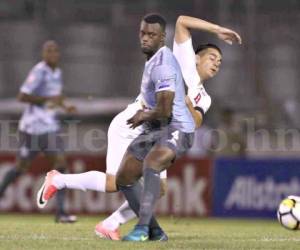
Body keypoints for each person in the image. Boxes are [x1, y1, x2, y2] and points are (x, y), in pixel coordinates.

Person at [37, 14, 241, 241]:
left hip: (156, 133)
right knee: (113, 183)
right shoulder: (183, 63)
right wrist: (217, 29)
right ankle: (58, 180)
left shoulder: (205, 98)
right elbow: (182, 21)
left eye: (220, 62)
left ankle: (111, 223)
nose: (216, 63)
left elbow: (194, 122)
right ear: (195, 58)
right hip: (131, 123)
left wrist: (186, 104)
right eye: (212, 57)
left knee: (159, 188)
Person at [0, 40, 77, 223]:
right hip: (33, 128)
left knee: (60, 165)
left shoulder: (57, 72)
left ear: (58, 54)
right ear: (43, 54)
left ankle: (61, 212)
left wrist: (66, 106)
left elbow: (55, 97)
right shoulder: (39, 71)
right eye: (47, 51)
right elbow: (22, 96)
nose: (51, 54)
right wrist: (47, 100)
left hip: (49, 127)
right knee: (21, 168)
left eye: (54, 51)